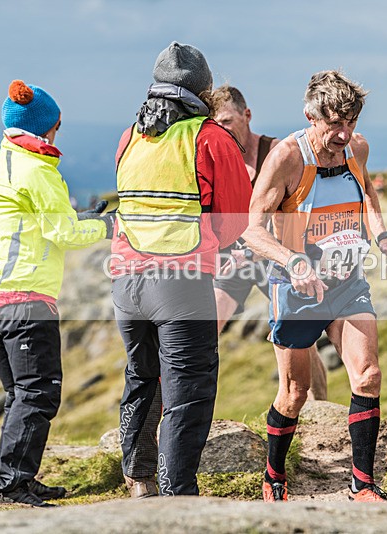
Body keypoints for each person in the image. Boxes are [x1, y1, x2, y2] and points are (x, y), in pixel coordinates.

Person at [243, 70, 387, 502]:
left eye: (350, 121)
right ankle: (274, 474)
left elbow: (368, 192)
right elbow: (252, 231)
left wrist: (383, 235)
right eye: (334, 123)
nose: (343, 133)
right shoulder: (286, 158)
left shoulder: (357, 148)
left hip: (346, 280)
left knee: (367, 375)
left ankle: (362, 485)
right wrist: (293, 262)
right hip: (296, 287)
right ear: (310, 115)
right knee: (295, 394)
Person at [110, 42, 252, 497]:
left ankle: (139, 479)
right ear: (203, 91)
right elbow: (233, 225)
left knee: (141, 376)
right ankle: (178, 495)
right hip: (180, 280)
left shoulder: (130, 135)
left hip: (126, 281)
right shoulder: (210, 138)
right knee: (188, 388)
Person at [0, 80, 114, 507]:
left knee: (20, 394)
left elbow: (35, 219)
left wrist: (80, 214)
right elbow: (62, 232)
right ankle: (12, 485)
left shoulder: (2, 164)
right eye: (57, 126)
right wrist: (107, 226)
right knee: (39, 392)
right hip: (25, 298)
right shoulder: (40, 170)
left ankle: (16, 478)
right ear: (46, 128)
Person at [211, 85, 329, 400]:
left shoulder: (277, 155)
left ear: (246, 116)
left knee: (303, 341)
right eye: (214, 124)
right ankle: (182, 416)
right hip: (235, 260)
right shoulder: (216, 159)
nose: (221, 130)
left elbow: (297, 216)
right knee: (206, 329)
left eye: (226, 121)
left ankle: (321, 411)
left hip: (277, 257)